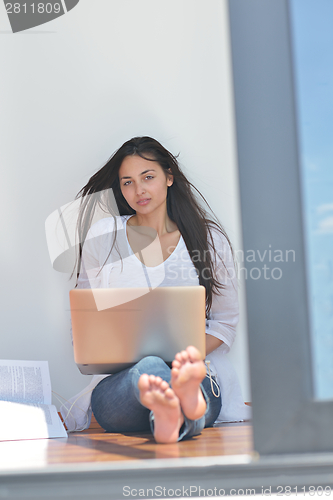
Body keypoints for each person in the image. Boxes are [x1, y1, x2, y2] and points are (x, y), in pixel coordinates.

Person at [60, 136, 251, 443]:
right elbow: (84, 320)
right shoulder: (104, 238)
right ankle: (183, 407)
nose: (139, 190)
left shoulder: (207, 239)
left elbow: (225, 324)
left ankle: (171, 413)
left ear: (169, 177)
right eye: (128, 182)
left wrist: (182, 360)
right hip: (123, 386)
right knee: (146, 368)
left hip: (196, 374)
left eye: (148, 177)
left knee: (168, 373)